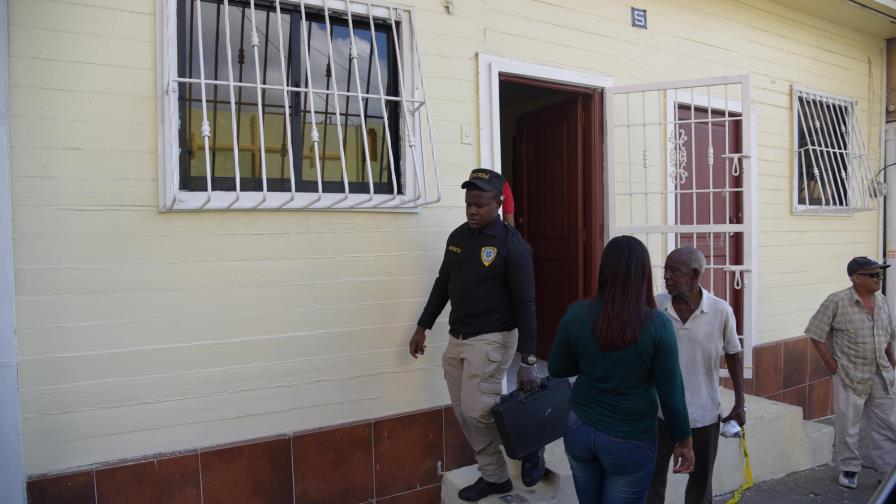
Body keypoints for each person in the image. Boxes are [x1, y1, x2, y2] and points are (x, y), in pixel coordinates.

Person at [409, 168, 545, 501]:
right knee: (463, 412)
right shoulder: (458, 238)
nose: (472, 210)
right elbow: (443, 284)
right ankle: (495, 477)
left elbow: (526, 304)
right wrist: (423, 326)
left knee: (477, 410)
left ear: (498, 204)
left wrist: (528, 360)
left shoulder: (513, 246)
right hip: (458, 338)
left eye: (480, 205)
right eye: (469, 203)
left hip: (493, 339)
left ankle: (529, 442)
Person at [549, 235, 695, 504]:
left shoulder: (576, 313)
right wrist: (684, 440)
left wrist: (592, 361)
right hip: (630, 439)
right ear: (643, 274)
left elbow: (557, 367)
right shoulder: (657, 324)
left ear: (605, 270)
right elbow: (672, 397)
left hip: (580, 428)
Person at [647, 247, 745, 504]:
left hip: (704, 414)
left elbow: (733, 354)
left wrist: (740, 402)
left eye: (673, 271)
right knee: (651, 482)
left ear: (694, 275)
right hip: (660, 414)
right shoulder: (655, 306)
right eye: (665, 270)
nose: (666, 276)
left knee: (700, 487)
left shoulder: (720, 311)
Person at [805, 256, 896, 490]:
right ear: (856, 278)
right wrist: (832, 365)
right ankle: (849, 469)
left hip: (881, 373)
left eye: (880, 274)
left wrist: (891, 361)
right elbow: (815, 333)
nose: (879, 278)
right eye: (873, 275)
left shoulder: (882, 301)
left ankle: (887, 472)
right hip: (849, 373)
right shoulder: (837, 301)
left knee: (887, 424)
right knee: (848, 425)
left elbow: (888, 335)